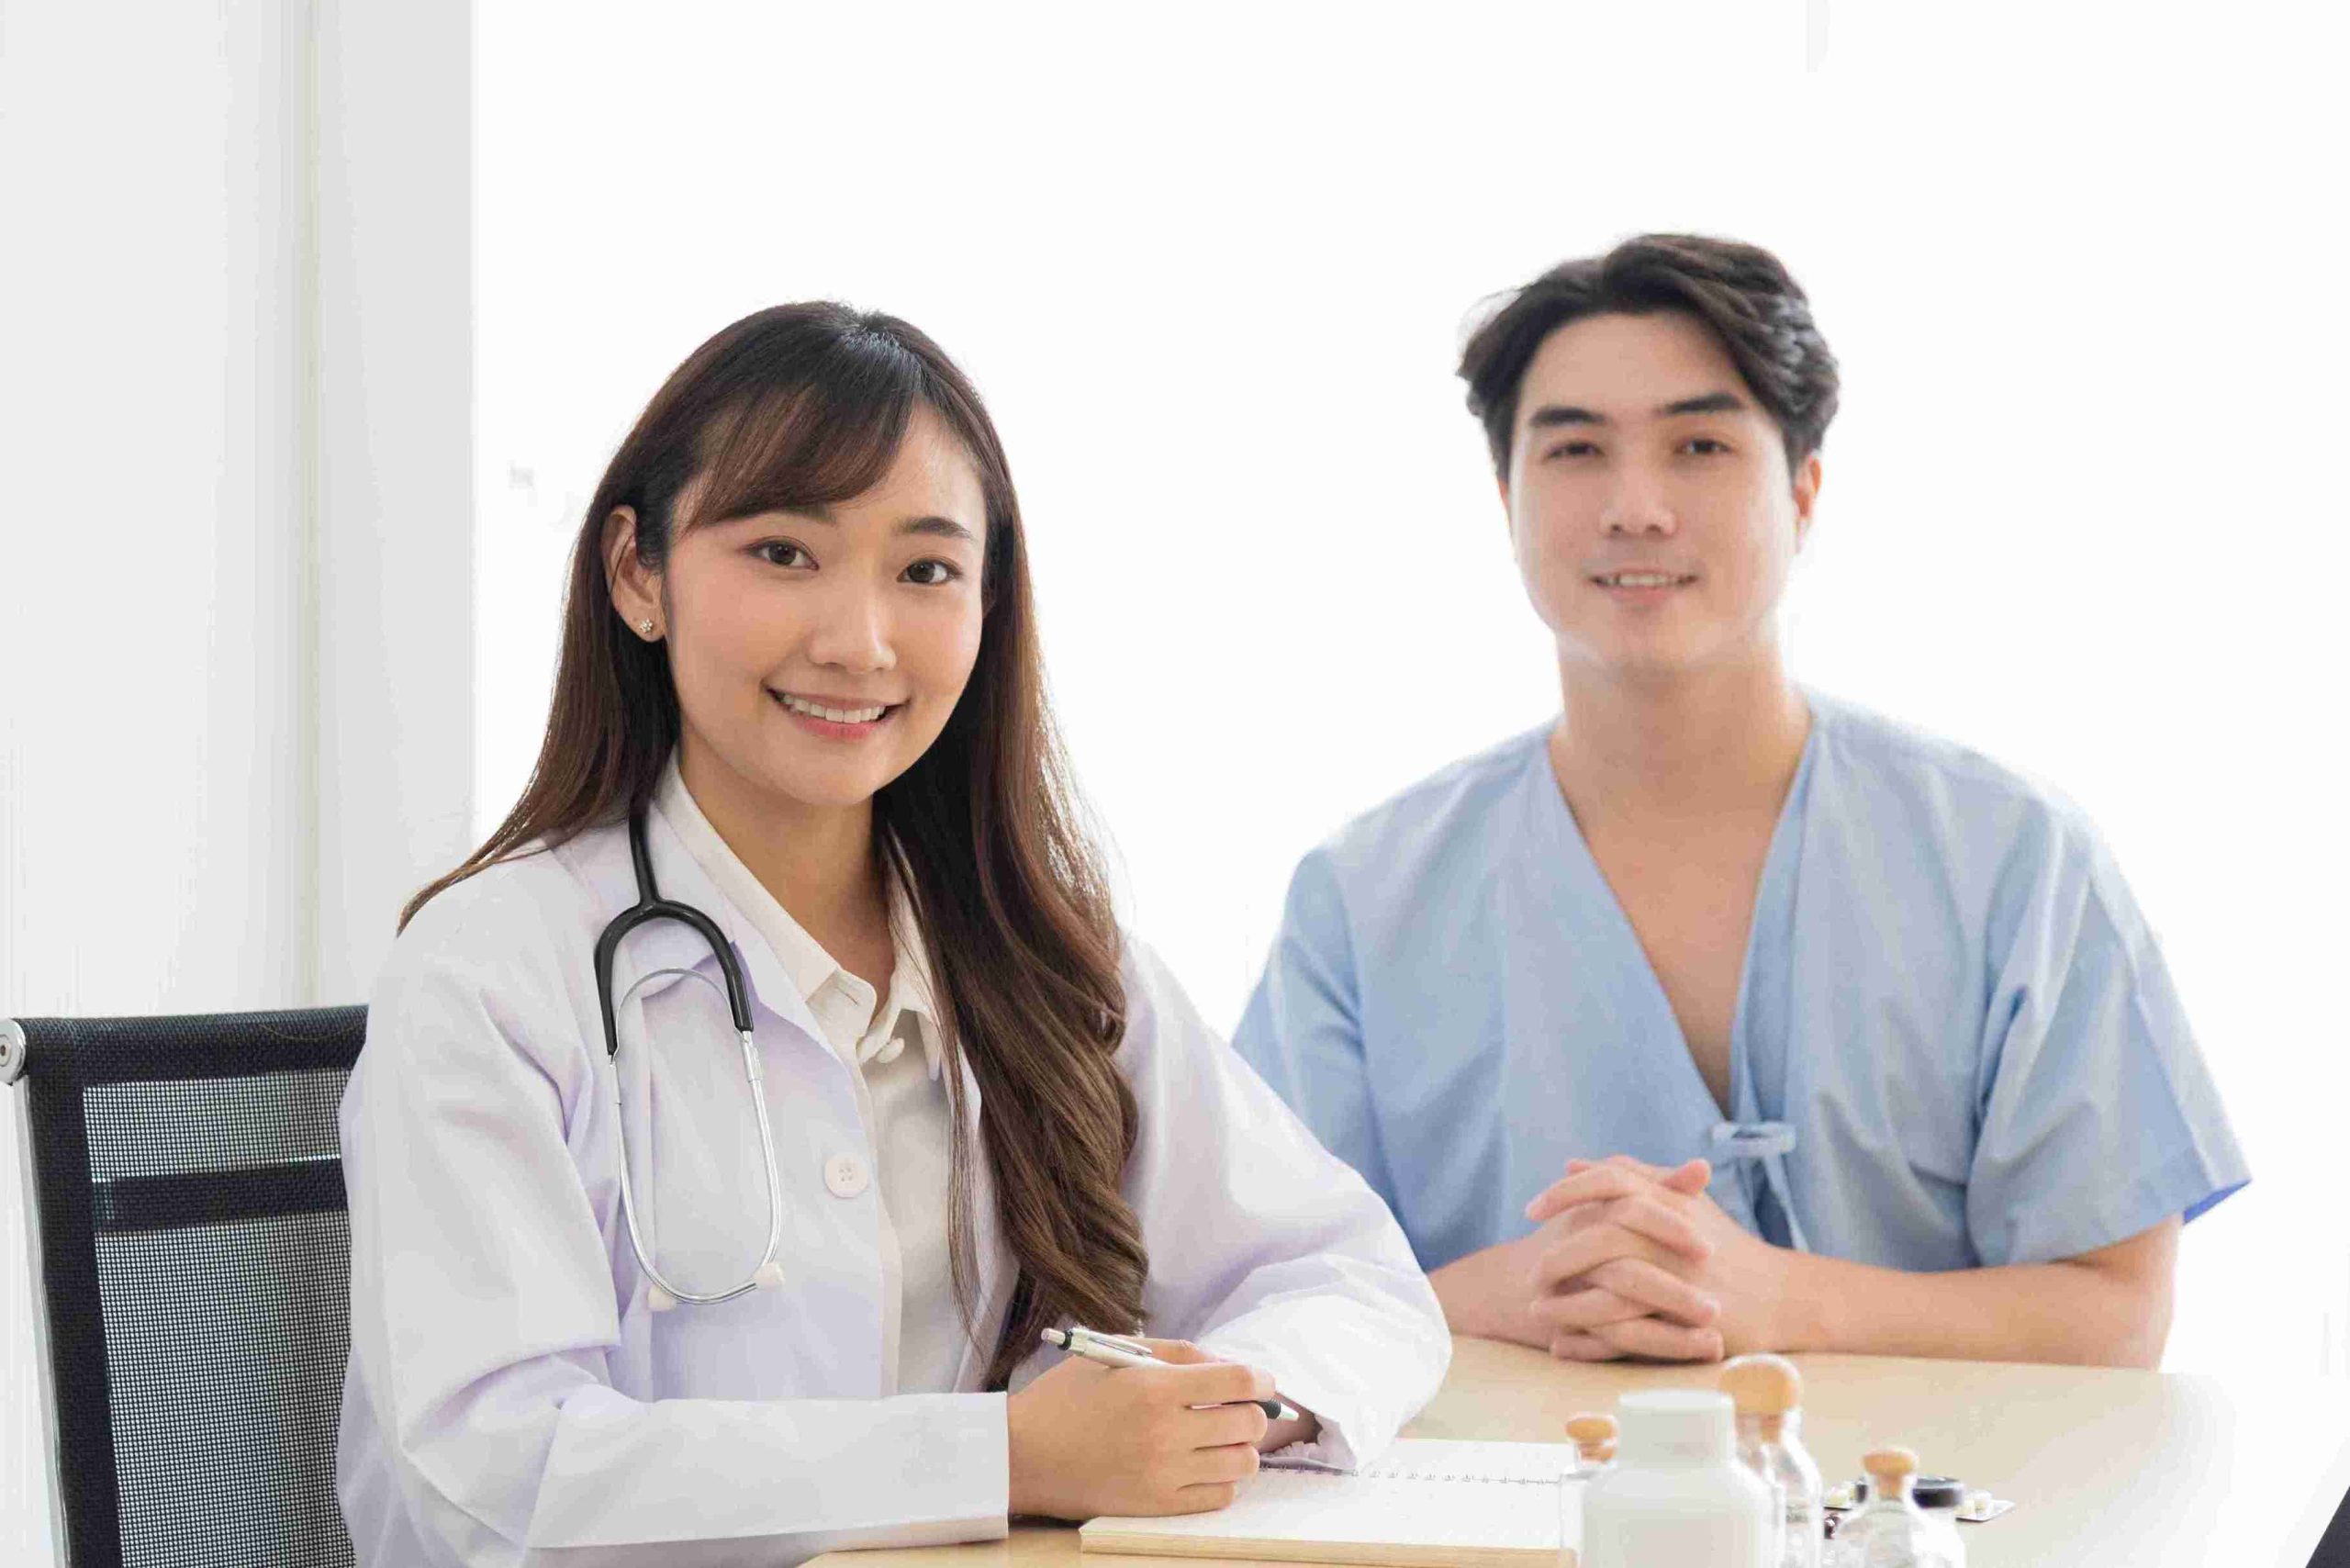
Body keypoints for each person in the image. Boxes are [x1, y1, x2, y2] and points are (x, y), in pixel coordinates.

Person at [335, 304, 1449, 1566]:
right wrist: (1014, 1458)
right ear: (639, 575)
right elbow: (493, 1470)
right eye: (782, 553)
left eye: (924, 571)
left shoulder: (1042, 960)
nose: (858, 643)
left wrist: (1213, 1406)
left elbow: (1348, 1278)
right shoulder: (492, 974)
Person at [1232, 235, 2246, 1371]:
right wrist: (1509, 1288)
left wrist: (1783, 1300)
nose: (1636, 506)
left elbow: (2114, 1314)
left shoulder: (2013, 858)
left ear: (1803, 489)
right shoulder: (1361, 899)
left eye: (1699, 444)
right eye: (1574, 450)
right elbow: (1254, 1300)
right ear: (1506, 495)